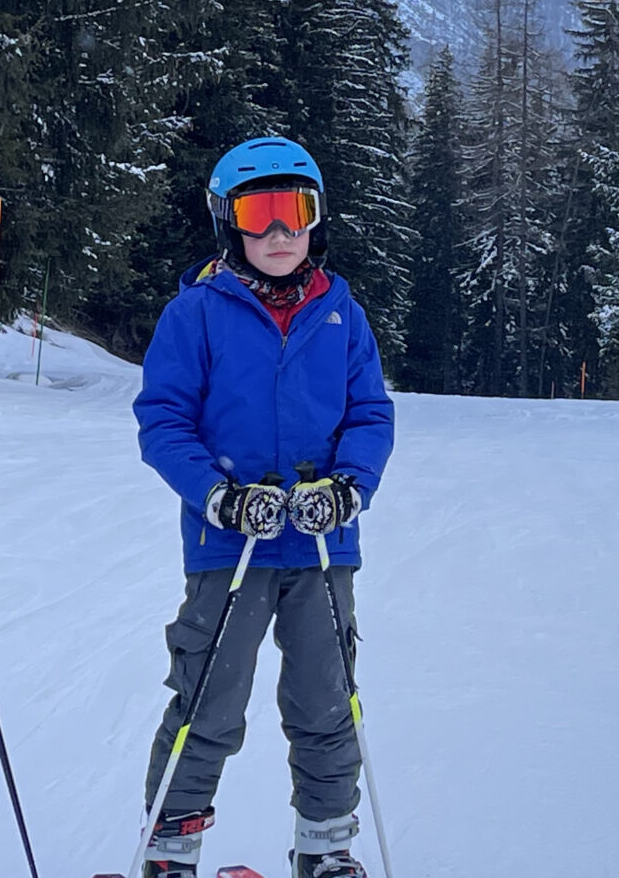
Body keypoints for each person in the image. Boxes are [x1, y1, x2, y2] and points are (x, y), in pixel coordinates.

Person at [131, 136, 394, 878]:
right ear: (229, 221)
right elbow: (164, 421)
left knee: (326, 703)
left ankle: (326, 849)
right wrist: (218, 496)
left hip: (318, 544)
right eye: (260, 213)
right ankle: (170, 848)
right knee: (207, 701)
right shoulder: (198, 313)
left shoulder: (342, 312)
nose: (279, 233)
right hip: (231, 546)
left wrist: (348, 486)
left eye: (295, 212)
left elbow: (371, 415)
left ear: (316, 219)